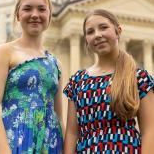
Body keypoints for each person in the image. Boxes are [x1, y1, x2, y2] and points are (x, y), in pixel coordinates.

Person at [0, 0, 64, 154]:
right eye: (27, 8)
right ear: (18, 15)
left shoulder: (55, 63)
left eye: (42, 9)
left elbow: (58, 115)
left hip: (50, 144)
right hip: (14, 142)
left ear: (49, 15)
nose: (35, 14)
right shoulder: (3, 52)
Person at [63, 9, 154, 154]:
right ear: (86, 39)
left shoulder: (138, 77)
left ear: (118, 31)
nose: (97, 35)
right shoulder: (77, 81)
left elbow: (150, 132)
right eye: (90, 31)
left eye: (103, 27)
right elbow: (72, 133)